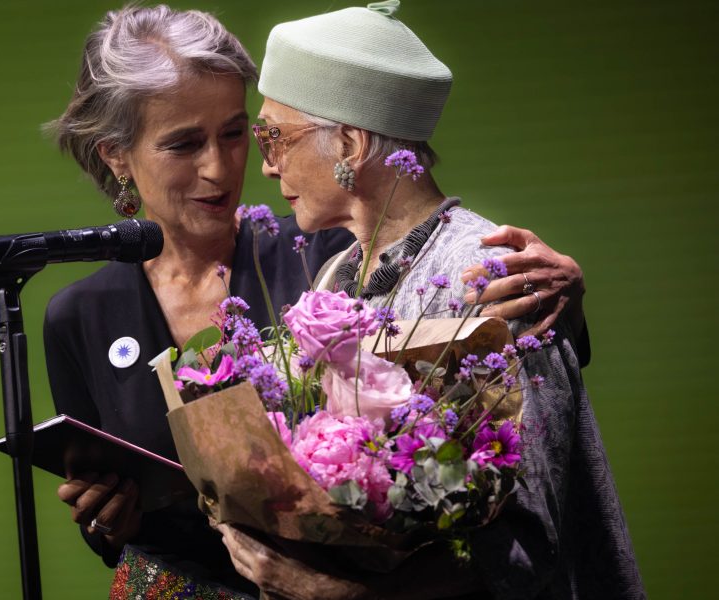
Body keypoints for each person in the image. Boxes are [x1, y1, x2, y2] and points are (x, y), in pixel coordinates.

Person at [42, 4, 591, 598]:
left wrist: (556, 303)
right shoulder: (337, 273)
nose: (228, 167)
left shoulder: (333, 255)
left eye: (242, 133)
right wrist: (109, 520)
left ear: (349, 143)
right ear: (117, 155)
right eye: (183, 144)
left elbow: (520, 475)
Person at [214, 2, 644, 598]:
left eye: (274, 137)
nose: (265, 166)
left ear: (349, 143)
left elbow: (527, 537)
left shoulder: (493, 275)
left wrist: (340, 595)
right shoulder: (335, 274)